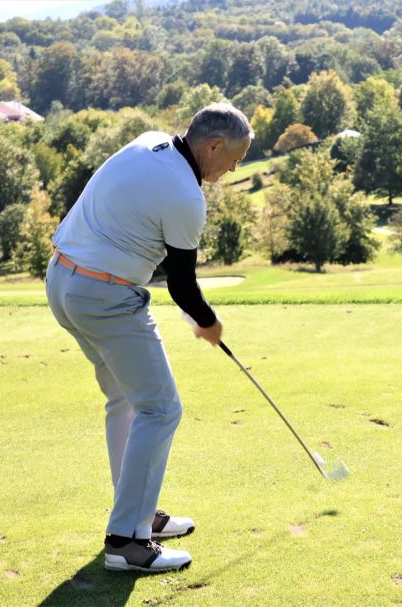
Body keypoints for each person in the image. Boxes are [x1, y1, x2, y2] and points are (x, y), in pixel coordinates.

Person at [45, 103, 253, 572]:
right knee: (161, 408)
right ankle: (126, 542)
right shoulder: (186, 195)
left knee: (126, 400)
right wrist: (208, 322)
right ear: (214, 145)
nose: (234, 168)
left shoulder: (149, 143)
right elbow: (181, 284)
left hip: (62, 281)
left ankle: (139, 515)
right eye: (234, 158)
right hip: (103, 296)